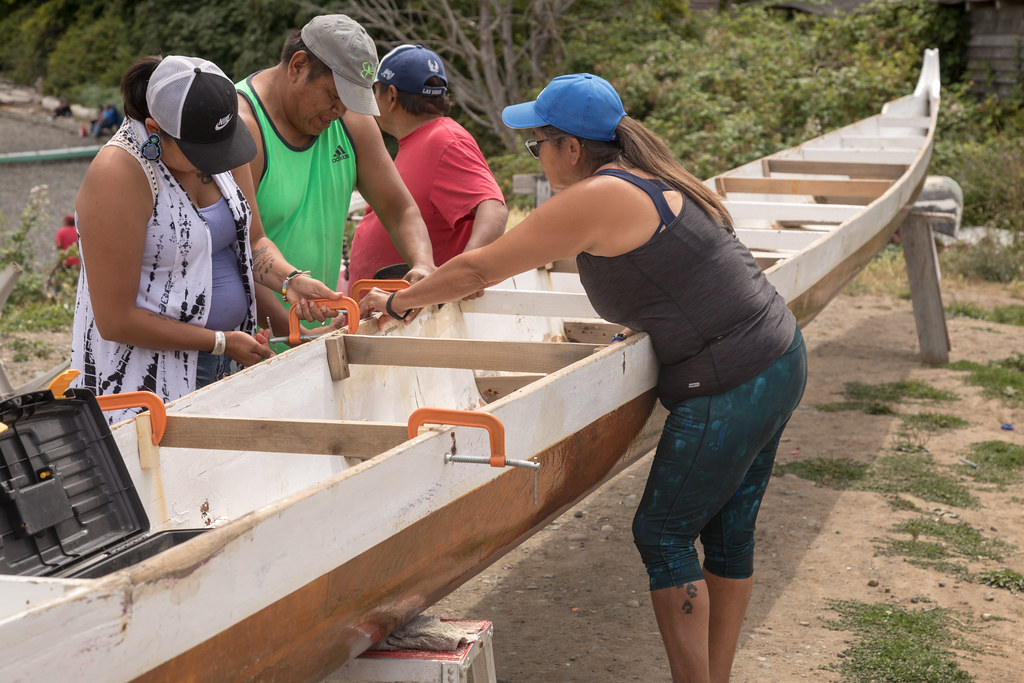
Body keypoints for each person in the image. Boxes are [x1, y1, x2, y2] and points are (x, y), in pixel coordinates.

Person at [360, 74, 808, 682]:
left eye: (537, 143)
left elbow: (476, 270)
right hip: (776, 357)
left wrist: (397, 304)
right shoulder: (653, 178)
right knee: (728, 536)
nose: (537, 157)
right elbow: (678, 276)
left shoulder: (597, 197)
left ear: (571, 148)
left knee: (663, 533)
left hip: (730, 380)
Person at [71, 54, 339, 418]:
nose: (217, 162)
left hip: (228, 356)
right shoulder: (119, 173)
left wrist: (289, 279)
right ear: (154, 129)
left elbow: (253, 241)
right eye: (202, 153)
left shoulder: (221, 142)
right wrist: (218, 342)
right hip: (148, 378)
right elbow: (115, 319)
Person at [235, 14, 436, 346]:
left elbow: (400, 211)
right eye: (333, 95)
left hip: (316, 334)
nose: (339, 110)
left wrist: (424, 264)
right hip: (256, 342)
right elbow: (237, 253)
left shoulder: (350, 122)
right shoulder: (245, 127)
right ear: (298, 66)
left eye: (350, 101)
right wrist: (294, 331)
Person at [346, 44, 507, 287]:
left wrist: (466, 272)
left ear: (391, 96)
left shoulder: (445, 140)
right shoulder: (422, 140)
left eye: (374, 90)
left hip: (416, 318)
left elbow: (494, 208)